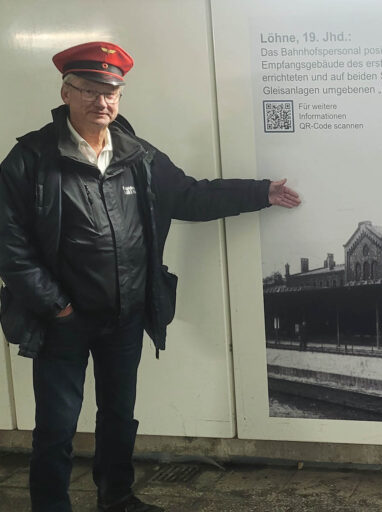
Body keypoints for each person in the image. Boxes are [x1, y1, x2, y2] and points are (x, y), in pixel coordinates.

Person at [0, 42, 301, 512]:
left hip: (125, 312)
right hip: (64, 320)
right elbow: (9, 246)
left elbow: (189, 197)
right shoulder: (31, 159)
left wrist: (260, 192)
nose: (103, 102)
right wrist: (55, 305)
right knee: (56, 426)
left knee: (119, 416)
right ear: (65, 91)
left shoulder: (137, 154)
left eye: (112, 92)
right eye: (90, 90)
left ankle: (117, 498)